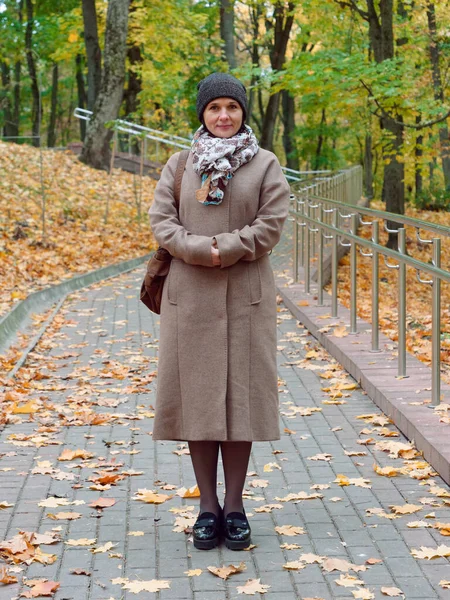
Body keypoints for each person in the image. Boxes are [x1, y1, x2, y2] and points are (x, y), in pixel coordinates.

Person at [149, 72, 290, 550]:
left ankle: (236, 506)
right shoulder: (179, 165)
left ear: (243, 113)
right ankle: (207, 507)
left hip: (245, 298)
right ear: (203, 115)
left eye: (232, 107)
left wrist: (223, 248)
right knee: (198, 401)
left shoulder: (265, 165)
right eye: (214, 108)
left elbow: (271, 225)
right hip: (188, 300)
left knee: (240, 404)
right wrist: (196, 250)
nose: (223, 116)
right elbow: (161, 221)